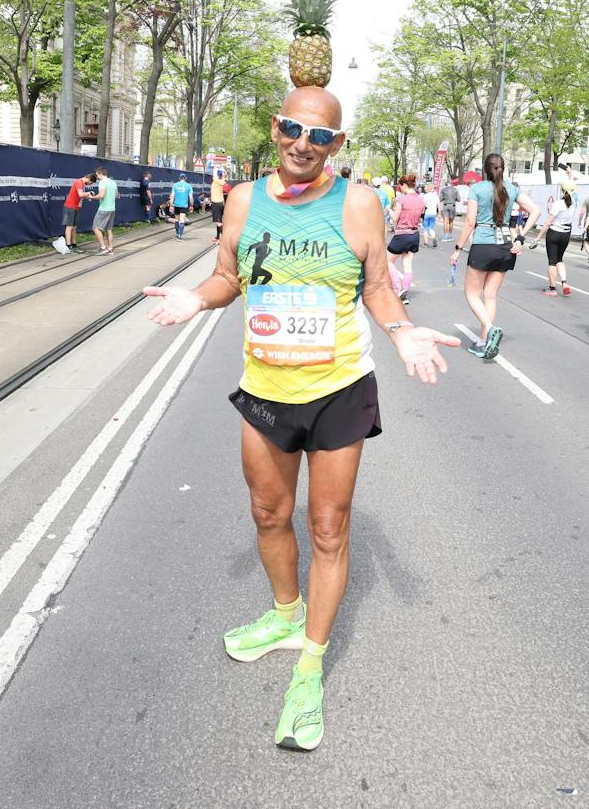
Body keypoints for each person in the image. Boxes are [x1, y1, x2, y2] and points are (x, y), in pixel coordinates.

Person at [142, 85, 457, 752]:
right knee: (268, 513)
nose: (303, 144)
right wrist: (194, 298)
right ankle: (286, 615)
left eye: (320, 136)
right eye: (292, 128)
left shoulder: (359, 202)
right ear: (276, 126)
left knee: (328, 526)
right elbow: (228, 275)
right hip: (265, 387)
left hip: (339, 387)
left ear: (337, 144)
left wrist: (401, 332)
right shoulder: (244, 200)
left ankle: (310, 663)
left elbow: (375, 283)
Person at [451, 153, 540, 359]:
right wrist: (520, 237)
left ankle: (490, 329)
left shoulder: (477, 189)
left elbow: (470, 222)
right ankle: (483, 342)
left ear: (484, 169)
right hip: (505, 245)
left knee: (472, 294)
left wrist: (457, 248)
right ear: (503, 168)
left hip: (483, 243)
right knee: (490, 295)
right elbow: (535, 211)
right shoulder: (512, 188)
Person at [387, 175, 425, 301]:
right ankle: (405, 291)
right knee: (407, 265)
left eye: (401, 186)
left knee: (387, 261)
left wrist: (389, 210)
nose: (400, 189)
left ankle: (398, 289)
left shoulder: (401, 200)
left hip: (402, 234)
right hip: (414, 234)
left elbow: (394, 218)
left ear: (404, 185)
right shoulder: (421, 199)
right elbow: (420, 218)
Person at [534, 182, 576, 296]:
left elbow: (548, 222)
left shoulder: (558, 203)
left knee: (552, 261)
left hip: (554, 233)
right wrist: (570, 175)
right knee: (559, 259)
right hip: (566, 234)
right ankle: (564, 282)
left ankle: (552, 289)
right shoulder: (573, 203)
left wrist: (538, 237)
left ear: (561, 190)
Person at [60, 172, 93, 253]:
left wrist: (88, 195)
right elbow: (80, 194)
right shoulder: (79, 182)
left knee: (74, 227)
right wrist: (89, 193)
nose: (89, 185)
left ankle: (74, 244)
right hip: (70, 206)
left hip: (75, 207)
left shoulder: (81, 183)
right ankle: (68, 245)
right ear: (89, 179)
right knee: (69, 226)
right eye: (91, 183)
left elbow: (80, 195)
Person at [92, 166, 119, 255]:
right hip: (112, 208)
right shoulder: (113, 182)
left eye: (97, 175)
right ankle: (110, 248)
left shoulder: (102, 182)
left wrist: (91, 197)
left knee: (95, 228)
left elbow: (101, 195)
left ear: (100, 173)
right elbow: (116, 195)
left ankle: (103, 247)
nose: (96, 177)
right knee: (109, 229)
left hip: (104, 208)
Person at [170, 174, 194, 238]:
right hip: (184, 205)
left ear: (179, 178)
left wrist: (171, 205)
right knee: (182, 220)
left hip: (176, 205)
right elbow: (191, 197)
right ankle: (180, 235)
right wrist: (191, 205)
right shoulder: (188, 186)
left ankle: (177, 233)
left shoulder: (175, 185)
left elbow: (172, 196)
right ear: (185, 178)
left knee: (177, 220)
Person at [209, 168, 228, 242]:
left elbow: (214, 173)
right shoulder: (222, 181)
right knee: (219, 221)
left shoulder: (216, 181)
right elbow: (223, 177)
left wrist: (217, 167)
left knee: (218, 222)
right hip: (221, 203)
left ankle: (225, 239)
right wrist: (224, 173)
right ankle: (217, 237)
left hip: (216, 204)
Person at [438, 177, 459, 243]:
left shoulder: (443, 190)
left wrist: (445, 197)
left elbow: (440, 199)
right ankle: (450, 235)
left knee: (445, 222)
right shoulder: (455, 190)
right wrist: (453, 198)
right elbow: (459, 199)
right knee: (451, 222)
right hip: (452, 206)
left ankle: (446, 236)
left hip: (445, 206)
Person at [420, 182, 439, 248]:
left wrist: (421, 213)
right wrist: (438, 214)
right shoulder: (436, 196)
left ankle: (426, 243)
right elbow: (438, 205)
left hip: (427, 212)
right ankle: (433, 237)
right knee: (431, 228)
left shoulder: (426, 196)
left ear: (428, 188)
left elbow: (423, 205)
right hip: (434, 213)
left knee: (425, 228)